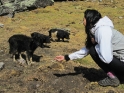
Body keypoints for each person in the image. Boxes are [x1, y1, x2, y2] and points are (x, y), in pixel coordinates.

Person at [54, 9, 124, 87]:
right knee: (92, 49)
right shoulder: (96, 29)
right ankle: (118, 75)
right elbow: (87, 49)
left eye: (84, 18)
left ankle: (113, 78)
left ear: (90, 19)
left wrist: (96, 45)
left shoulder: (103, 31)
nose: (82, 21)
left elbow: (106, 58)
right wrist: (67, 57)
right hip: (120, 60)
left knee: (93, 49)